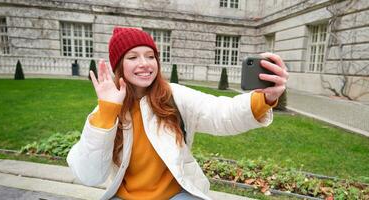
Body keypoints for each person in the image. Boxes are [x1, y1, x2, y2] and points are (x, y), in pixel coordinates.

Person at [66, 27, 288, 200]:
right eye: (133, 57)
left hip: (176, 195)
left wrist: (265, 99)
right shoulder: (106, 109)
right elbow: (88, 175)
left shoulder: (174, 96)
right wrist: (107, 111)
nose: (144, 64)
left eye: (150, 56)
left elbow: (221, 113)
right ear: (119, 66)